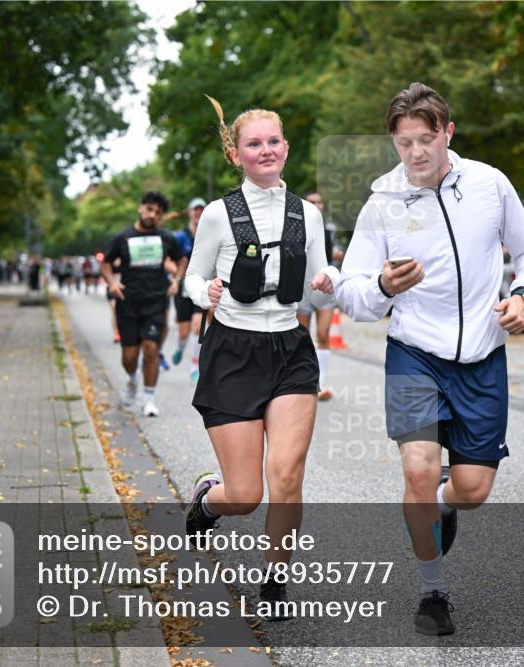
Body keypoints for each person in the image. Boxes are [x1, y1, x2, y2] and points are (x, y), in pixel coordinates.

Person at [334, 83, 524, 636]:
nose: (416, 153)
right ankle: (433, 592)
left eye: (426, 139)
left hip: (481, 356)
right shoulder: (382, 204)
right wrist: (381, 285)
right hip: (414, 355)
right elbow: (352, 294)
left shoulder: (489, 184)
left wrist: (523, 296)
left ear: (448, 133)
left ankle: (448, 503)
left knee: (472, 490)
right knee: (418, 471)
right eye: (404, 143)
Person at [183, 98, 338, 618]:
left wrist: (326, 284)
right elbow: (190, 276)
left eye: (273, 141)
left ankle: (274, 584)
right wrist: (201, 292)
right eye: (254, 143)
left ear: (286, 148)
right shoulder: (217, 215)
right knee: (246, 494)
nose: (266, 150)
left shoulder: (307, 214)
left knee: (287, 474)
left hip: (290, 349)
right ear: (237, 154)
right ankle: (209, 499)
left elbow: (320, 285)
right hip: (232, 350)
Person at [101, 192, 183, 417]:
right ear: (141, 209)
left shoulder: (166, 237)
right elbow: (106, 263)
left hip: (155, 301)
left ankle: (149, 399)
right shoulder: (123, 237)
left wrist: (176, 280)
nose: (153, 214)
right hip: (128, 303)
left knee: (151, 349)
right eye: (150, 209)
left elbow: (182, 259)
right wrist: (112, 284)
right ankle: (132, 379)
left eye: (158, 212)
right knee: (129, 357)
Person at [295, 191, 342, 401]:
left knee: (323, 334)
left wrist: (337, 255)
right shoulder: (295, 227)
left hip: (326, 287)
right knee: (302, 337)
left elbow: (335, 253)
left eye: (319, 202)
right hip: (304, 287)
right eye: (312, 202)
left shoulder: (329, 230)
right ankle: (304, 380)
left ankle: (322, 383)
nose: (316, 205)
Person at [171, 197, 208, 382]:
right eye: (195, 210)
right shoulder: (179, 237)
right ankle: (180, 346)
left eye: (202, 210)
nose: (198, 213)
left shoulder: (210, 234)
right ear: (189, 212)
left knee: (197, 326)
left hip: (201, 285)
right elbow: (167, 261)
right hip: (183, 286)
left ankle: (195, 366)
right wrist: (178, 274)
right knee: (184, 330)